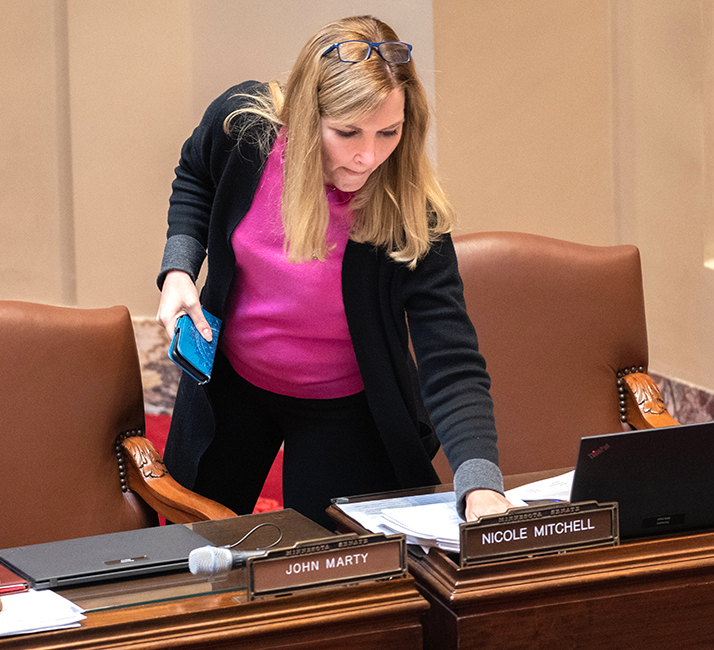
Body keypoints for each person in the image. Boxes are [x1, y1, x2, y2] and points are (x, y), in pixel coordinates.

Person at [156, 14, 512, 529]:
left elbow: (450, 359)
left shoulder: (409, 213)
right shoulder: (244, 132)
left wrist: (480, 483)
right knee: (195, 552)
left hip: (345, 408)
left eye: (389, 131)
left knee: (335, 574)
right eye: (347, 132)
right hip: (232, 382)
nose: (368, 155)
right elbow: (195, 175)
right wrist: (179, 269)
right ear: (305, 117)